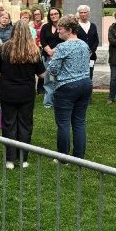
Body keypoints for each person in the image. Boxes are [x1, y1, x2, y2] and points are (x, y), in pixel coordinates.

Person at [0, 21, 46, 169]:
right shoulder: (34, 50)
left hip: (7, 91)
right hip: (26, 93)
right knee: (25, 124)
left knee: (9, 124)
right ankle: (23, 159)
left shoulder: (4, 48)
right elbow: (42, 74)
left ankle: (10, 159)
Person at [48, 15, 93, 159]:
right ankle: (79, 156)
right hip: (86, 84)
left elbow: (53, 69)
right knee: (79, 122)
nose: (58, 32)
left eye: (60, 29)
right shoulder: (84, 44)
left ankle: (63, 157)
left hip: (67, 86)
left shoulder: (62, 47)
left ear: (69, 30)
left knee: (64, 123)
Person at [40, 8, 63, 108]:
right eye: (51, 14)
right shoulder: (45, 27)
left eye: (56, 14)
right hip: (47, 57)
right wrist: (49, 51)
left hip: (60, 57)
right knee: (48, 80)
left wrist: (54, 51)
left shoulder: (64, 27)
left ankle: (59, 102)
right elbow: (42, 40)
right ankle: (48, 103)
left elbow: (65, 40)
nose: (54, 16)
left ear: (59, 14)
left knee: (60, 80)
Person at [76, 5, 99, 79]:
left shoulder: (93, 26)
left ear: (88, 13)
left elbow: (96, 40)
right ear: (78, 14)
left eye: (85, 12)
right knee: (79, 76)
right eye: (81, 12)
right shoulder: (75, 26)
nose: (83, 14)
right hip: (78, 55)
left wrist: (91, 51)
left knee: (90, 75)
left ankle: (88, 90)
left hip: (91, 56)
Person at [30, 8, 46, 94]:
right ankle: (32, 88)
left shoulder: (45, 24)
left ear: (41, 15)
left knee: (41, 68)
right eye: (35, 14)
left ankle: (41, 88)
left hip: (42, 48)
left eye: (38, 14)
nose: (37, 16)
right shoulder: (30, 25)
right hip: (32, 48)